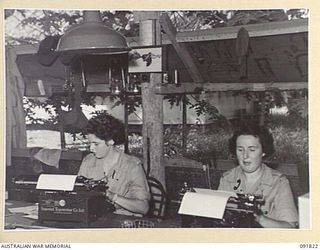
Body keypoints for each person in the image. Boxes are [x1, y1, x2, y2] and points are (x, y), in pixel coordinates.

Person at [218, 123, 299, 228]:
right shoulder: (227, 178)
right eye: (240, 150)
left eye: (252, 150)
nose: (245, 156)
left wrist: (259, 218)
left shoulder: (278, 182)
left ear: (263, 151)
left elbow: (290, 227)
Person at [78, 112, 150, 217]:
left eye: (96, 144)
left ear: (111, 141)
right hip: (94, 219)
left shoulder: (132, 165)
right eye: (90, 143)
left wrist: (111, 196)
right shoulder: (88, 161)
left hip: (123, 222)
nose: (91, 148)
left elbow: (143, 207)